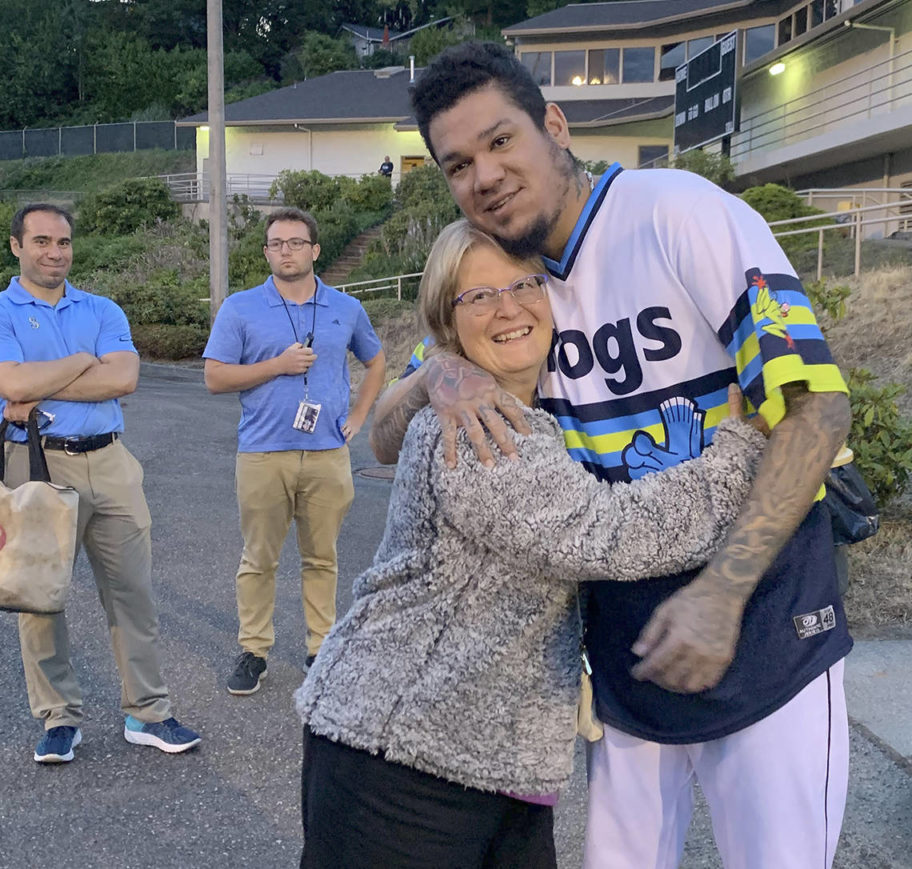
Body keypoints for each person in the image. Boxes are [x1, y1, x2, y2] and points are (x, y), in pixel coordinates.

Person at [370, 42, 854, 869]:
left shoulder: (680, 212)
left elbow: (817, 407)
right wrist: (439, 370)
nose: (483, 176)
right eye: (457, 165)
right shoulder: (509, 279)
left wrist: (722, 592)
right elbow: (384, 433)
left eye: (500, 142)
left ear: (554, 125)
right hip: (624, 640)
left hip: (764, 612)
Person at [296, 218, 766, 868]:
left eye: (525, 284)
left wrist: (436, 371)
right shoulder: (480, 432)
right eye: (479, 295)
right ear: (448, 318)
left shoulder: (525, 400)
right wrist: (743, 450)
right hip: (402, 761)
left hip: (497, 761)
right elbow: (609, 534)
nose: (509, 305)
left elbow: (385, 430)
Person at [0, 203, 201, 763]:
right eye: (41, 241)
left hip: (111, 462)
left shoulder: (103, 308)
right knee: (38, 598)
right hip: (36, 466)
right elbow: (8, 380)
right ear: (17, 246)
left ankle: (148, 711)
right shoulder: (3, 312)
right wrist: (86, 363)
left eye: (63, 242)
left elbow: (127, 377)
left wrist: (42, 386)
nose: (54, 253)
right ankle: (59, 719)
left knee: (132, 593)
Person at [204, 207, 386, 696]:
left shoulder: (345, 308)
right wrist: (277, 366)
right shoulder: (240, 308)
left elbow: (376, 361)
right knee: (258, 558)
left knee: (321, 558)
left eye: (296, 242)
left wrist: (358, 416)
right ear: (266, 252)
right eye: (277, 243)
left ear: (315, 250)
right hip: (263, 453)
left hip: (328, 453)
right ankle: (253, 650)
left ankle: (320, 648)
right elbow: (216, 377)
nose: (286, 251)